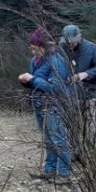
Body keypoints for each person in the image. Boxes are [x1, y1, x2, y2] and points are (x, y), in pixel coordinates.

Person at [19, 27, 73, 182]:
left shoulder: (57, 61)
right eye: (31, 48)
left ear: (45, 46)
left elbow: (56, 88)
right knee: (48, 139)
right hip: (39, 103)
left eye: (35, 49)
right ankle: (49, 170)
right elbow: (36, 83)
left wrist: (32, 79)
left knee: (59, 139)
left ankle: (63, 174)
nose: (33, 52)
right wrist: (26, 81)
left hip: (54, 105)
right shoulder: (34, 61)